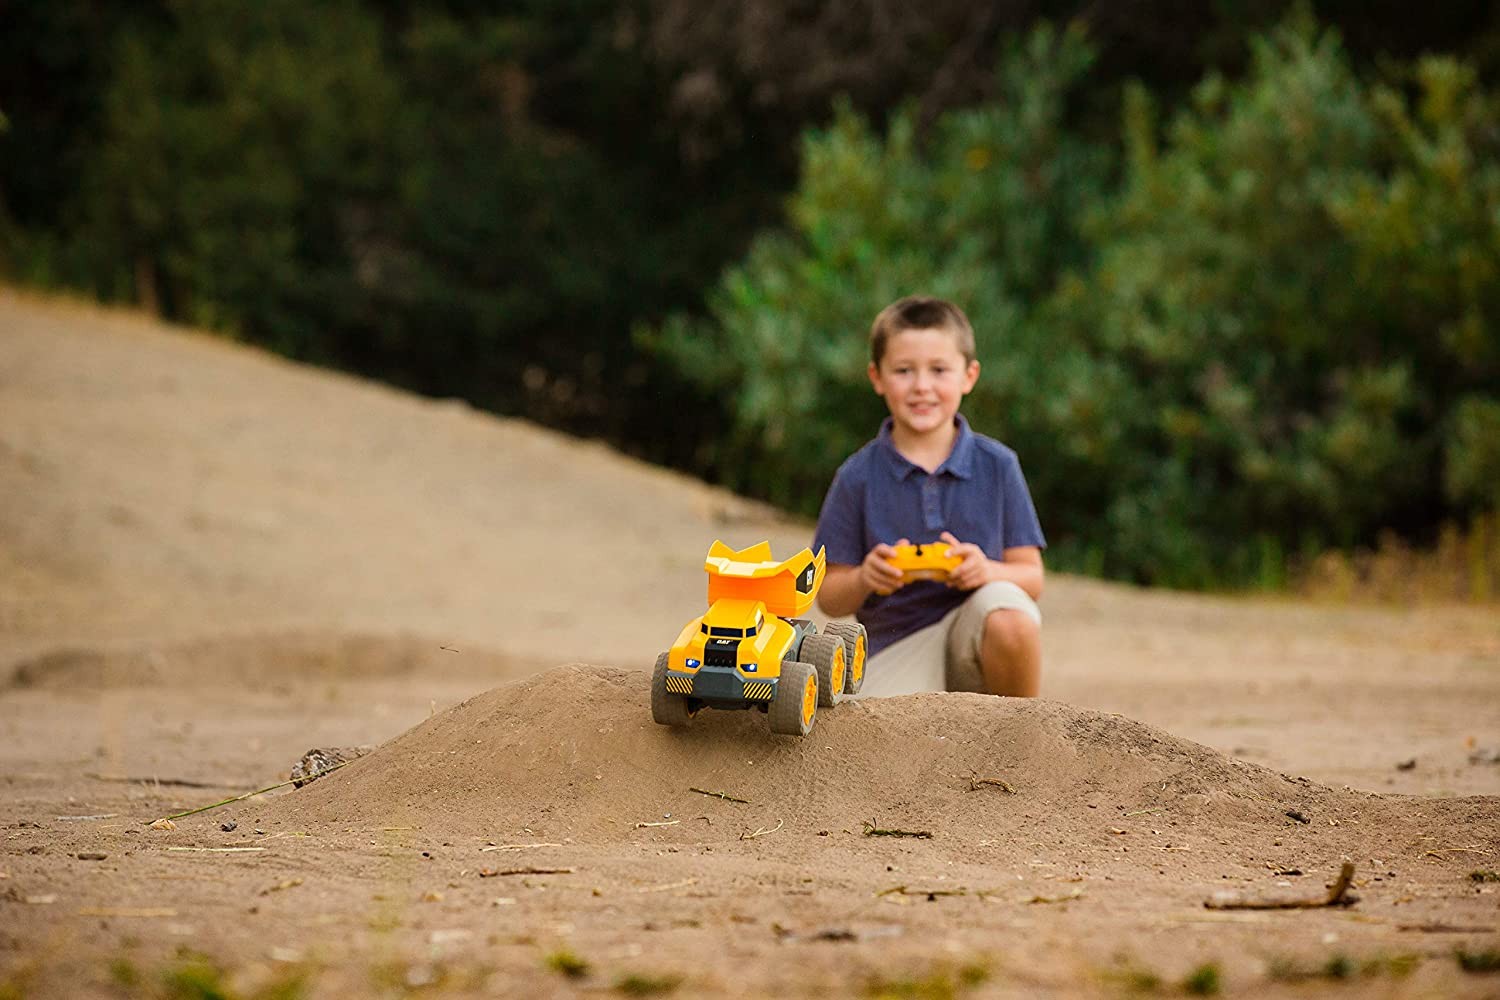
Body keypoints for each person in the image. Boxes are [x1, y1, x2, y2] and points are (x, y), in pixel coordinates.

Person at [812, 296, 1045, 697]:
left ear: (969, 376)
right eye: (904, 371)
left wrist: (986, 571)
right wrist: (865, 577)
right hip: (895, 647)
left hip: (977, 630)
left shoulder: (998, 465)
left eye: (939, 370)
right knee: (877, 731)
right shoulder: (857, 476)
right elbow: (828, 596)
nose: (922, 386)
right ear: (877, 377)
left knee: (1011, 613)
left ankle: (1022, 734)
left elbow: (1032, 577)